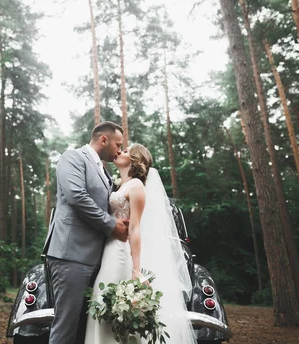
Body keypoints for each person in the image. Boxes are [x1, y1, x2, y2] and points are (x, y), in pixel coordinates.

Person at [84, 144, 196, 344]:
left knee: (111, 303)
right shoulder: (120, 185)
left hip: (120, 252)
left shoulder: (136, 186)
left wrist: (136, 268)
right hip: (109, 249)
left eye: (125, 151)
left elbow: (135, 228)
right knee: (103, 301)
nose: (119, 152)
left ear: (136, 161)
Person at [43, 121, 130, 344]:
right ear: (104, 140)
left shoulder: (106, 171)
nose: (119, 150)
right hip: (70, 255)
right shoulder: (72, 158)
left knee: (85, 329)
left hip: (95, 259)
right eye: (117, 145)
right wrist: (111, 225)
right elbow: (77, 197)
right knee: (66, 326)